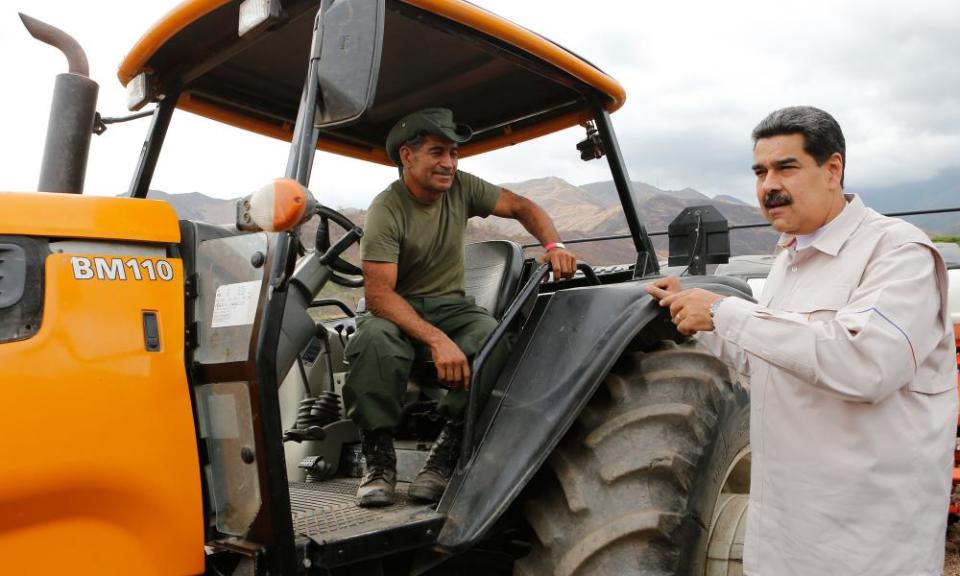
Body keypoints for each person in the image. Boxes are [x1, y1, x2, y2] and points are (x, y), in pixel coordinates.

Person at [646, 106, 957, 575]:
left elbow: (865, 364)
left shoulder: (896, 252)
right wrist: (698, 319)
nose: (768, 185)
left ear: (832, 169)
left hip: (867, 541)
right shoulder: (791, 257)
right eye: (760, 171)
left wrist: (725, 311)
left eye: (785, 167)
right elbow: (774, 358)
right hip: (787, 531)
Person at [343, 108, 577, 507]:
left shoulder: (462, 188)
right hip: (396, 309)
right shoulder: (387, 208)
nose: (449, 163)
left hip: (451, 306)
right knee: (372, 341)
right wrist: (437, 341)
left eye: (454, 153)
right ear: (407, 157)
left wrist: (554, 246)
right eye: (438, 152)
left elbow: (522, 207)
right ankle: (379, 459)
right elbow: (380, 297)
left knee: (491, 337)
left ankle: (447, 449)